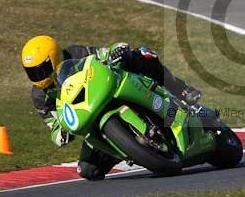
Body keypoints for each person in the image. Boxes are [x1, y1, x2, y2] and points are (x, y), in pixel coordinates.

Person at [20, 35, 202, 181]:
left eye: (41, 69)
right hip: (89, 117)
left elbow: (102, 55)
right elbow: (54, 125)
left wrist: (116, 52)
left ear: (54, 58)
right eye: (31, 72)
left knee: (140, 55)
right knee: (88, 171)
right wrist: (61, 134)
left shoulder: (75, 53)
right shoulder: (39, 96)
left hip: (105, 90)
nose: (37, 76)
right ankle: (124, 147)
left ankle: (180, 90)